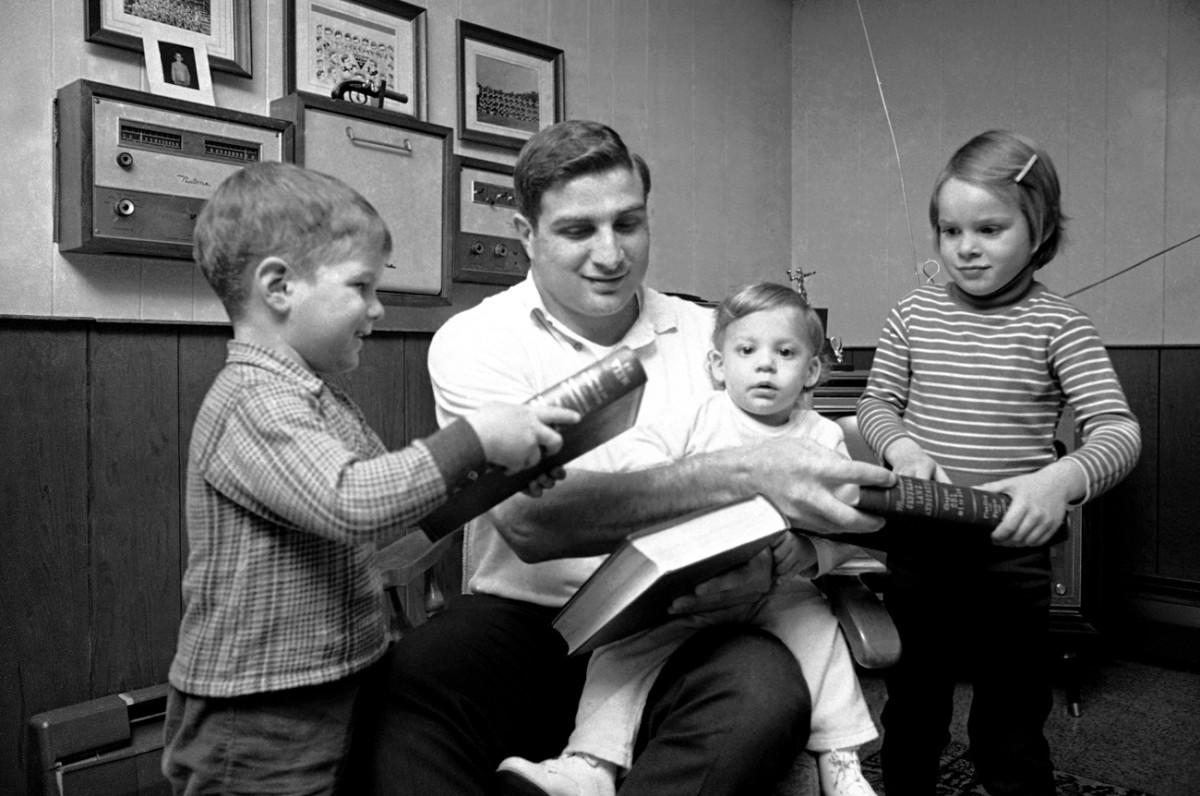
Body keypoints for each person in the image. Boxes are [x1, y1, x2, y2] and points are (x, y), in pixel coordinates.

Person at [364, 120, 896, 795]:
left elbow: (812, 464)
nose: (611, 254)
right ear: (526, 234)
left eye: (629, 224)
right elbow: (535, 523)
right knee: (416, 678)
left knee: (764, 694)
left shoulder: (719, 337)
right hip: (529, 618)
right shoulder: (476, 340)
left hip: (686, 617)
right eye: (579, 231)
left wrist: (777, 561)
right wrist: (736, 473)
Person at [161, 161, 577, 795]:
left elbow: (395, 521)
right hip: (259, 715)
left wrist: (498, 474)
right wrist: (473, 438)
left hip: (335, 682)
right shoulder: (253, 400)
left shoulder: (319, 397)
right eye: (361, 286)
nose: (378, 309)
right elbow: (352, 501)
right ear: (278, 287)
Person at [497, 282, 880, 796]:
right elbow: (639, 465)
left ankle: (841, 761)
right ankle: (589, 765)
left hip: (779, 586)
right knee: (622, 652)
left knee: (819, 634)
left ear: (811, 371)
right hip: (694, 585)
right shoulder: (700, 417)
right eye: (747, 351)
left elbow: (844, 523)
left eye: (785, 353)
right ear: (719, 366)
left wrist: (809, 553)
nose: (765, 365)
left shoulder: (822, 436)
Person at [856, 129, 1142, 795]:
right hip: (921, 547)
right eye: (949, 230)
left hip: (1010, 560)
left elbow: (1117, 430)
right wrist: (900, 446)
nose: (966, 247)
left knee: (1011, 727)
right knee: (913, 711)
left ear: (1038, 229)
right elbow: (878, 403)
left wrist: (1060, 479)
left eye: (989, 227)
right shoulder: (911, 315)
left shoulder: (1060, 325)